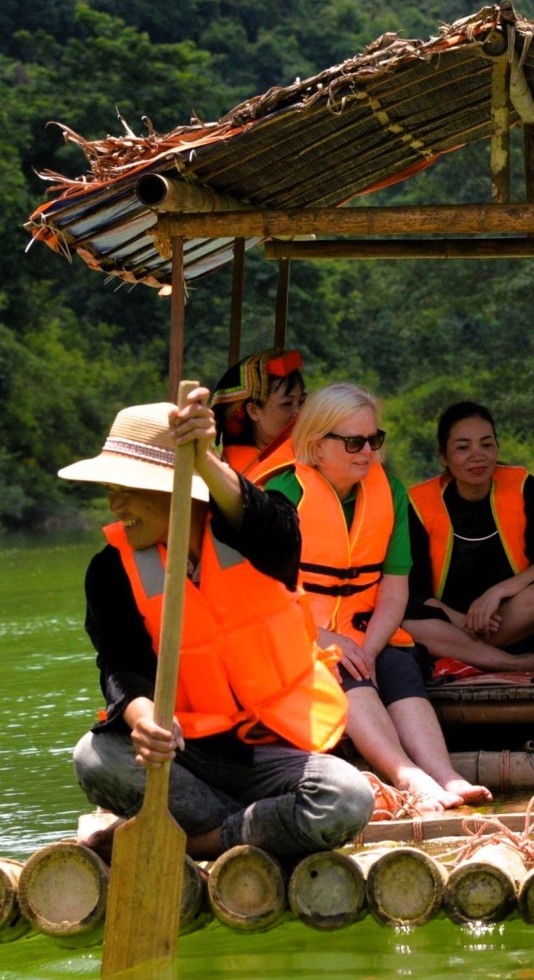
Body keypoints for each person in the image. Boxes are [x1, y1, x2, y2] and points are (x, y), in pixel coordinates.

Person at [61, 392, 373, 861]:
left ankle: (200, 841)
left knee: (347, 798)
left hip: (278, 749)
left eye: (126, 487)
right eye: (111, 487)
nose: (113, 501)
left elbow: (266, 523)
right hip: (191, 755)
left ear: (176, 486)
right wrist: (144, 721)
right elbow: (121, 665)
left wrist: (203, 456)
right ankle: (261, 824)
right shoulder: (109, 570)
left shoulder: (260, 534)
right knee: (94, 757)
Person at [263, 383, 492, 809]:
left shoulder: (391, 492)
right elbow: (263, 597)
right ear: (317, 445)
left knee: (397, 666)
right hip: (301, 634)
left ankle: (447, 776)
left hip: (369, 629)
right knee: (347, 669)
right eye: (354, 441)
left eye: (374, 440)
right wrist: (327, 640)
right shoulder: (283, 497)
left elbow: (395, 587)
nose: (367, 451)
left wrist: (368, 646)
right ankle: (410, 779)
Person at [403, 402, 534, 672]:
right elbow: (416, 591)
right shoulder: (419, 503)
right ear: (444, 456)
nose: (478, 456)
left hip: (511, 622)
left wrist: (496, 593)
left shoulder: (523, 485)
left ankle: (477, 656)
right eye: (463, 448)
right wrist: (464, 620)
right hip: (452, 627)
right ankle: (512, 663)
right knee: (405, 625)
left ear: (497, 448)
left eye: (486, 445)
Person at [211, 347, 306, 482]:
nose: (299, 413)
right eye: (286, 404)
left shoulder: (312, 453)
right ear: (254, 411)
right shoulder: (230, 468)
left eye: (302, 401)